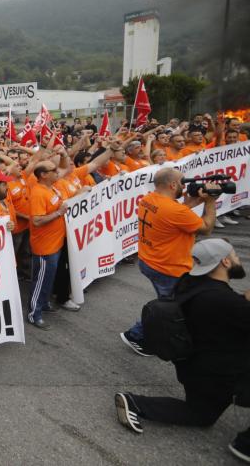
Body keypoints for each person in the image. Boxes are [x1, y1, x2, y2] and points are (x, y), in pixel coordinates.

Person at [115, 239, 250, 462]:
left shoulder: (190, 283)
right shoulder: (224, 301)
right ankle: (246, 445)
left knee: (201, 415)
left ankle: (135, 403)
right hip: (222, 374)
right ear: (224, 261)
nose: (237, 259)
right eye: (235, 255)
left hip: (194, 368)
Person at [120, 167, 218, 356]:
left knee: (169, 302)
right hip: (168, 268)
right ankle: (136, 335)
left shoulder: (148, 199)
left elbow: (171, 215)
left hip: (150, 261)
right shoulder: (174, 210)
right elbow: (206, 228)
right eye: (183, 182)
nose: (185, 185)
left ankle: (145, 334)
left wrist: (192, 202)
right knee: (173, 306)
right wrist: (211, 202)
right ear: (173, 185)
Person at [26, 161, 67, 330]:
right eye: (54, 170)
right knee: (41, 280)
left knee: (48, 279)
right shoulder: (38, 193)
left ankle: (43, 303)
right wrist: (59, 213)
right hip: (44, 247)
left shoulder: (53, 188)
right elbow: (36, 220)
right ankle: (34, 313)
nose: (58, 172)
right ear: (43, 175)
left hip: (55, 243)